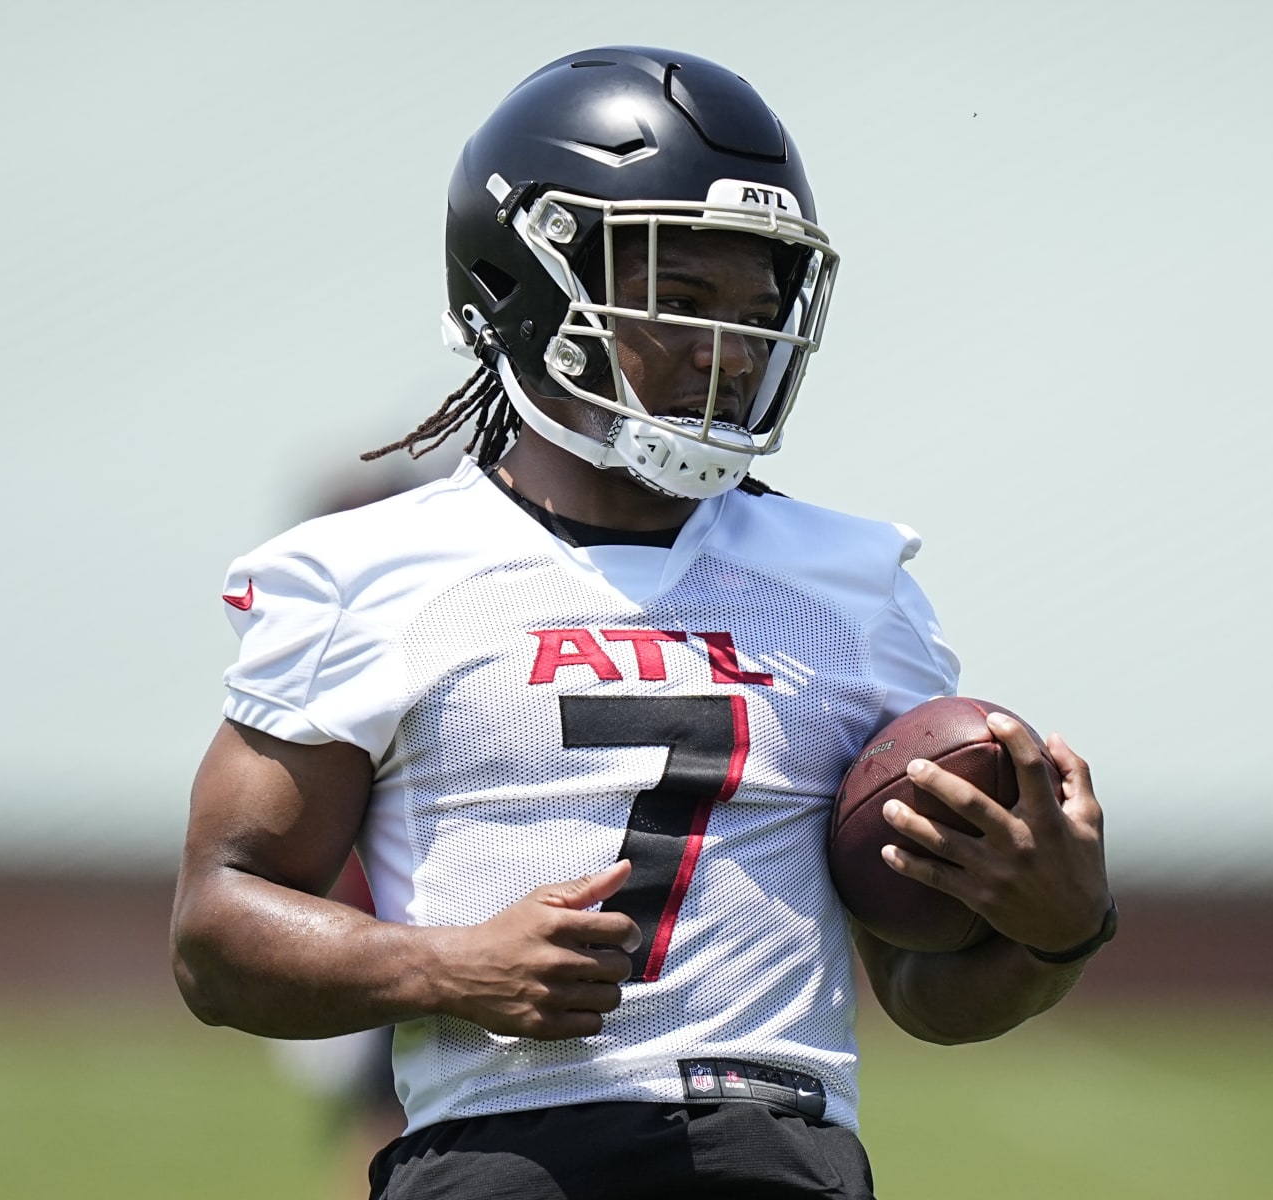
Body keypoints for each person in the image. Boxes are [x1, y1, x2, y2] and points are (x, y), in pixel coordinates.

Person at [171, 46, 1115, 1200]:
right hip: (503, 1159)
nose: (733, 352)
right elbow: (215, 937)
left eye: (757, 313)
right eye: (683, 300)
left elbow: (925, 995)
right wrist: (447, 968)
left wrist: (1057, 932)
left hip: (784, 1161)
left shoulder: (853, 583)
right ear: (526, 287)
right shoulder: (373, 573)